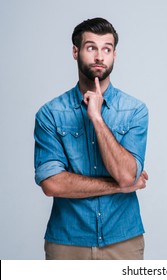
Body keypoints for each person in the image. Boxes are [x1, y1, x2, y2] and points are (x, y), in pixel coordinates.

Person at [34, 17, 149, 260]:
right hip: (67, 241)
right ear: (75, 52)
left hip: (123, 240)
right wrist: (119, 187)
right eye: (91, 48)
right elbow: (52, 184)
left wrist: (97, 118)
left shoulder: (135, 110)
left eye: (106, 49)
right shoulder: (50, 114)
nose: (99, 56)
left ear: (114, 55)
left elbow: (127, 174)